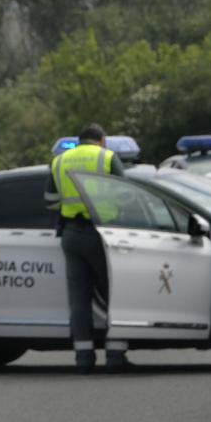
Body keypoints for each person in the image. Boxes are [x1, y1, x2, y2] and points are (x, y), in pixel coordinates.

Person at [44, 123, 131, 373]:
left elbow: (50, 201)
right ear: (101, 140)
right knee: (115, 294)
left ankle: (83, 357)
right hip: (103, 234)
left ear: (79, 140)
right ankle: (115, 355)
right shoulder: (107, 158)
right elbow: (125, 194)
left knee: (79, 299)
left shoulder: (60, 160)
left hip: (71, 233)